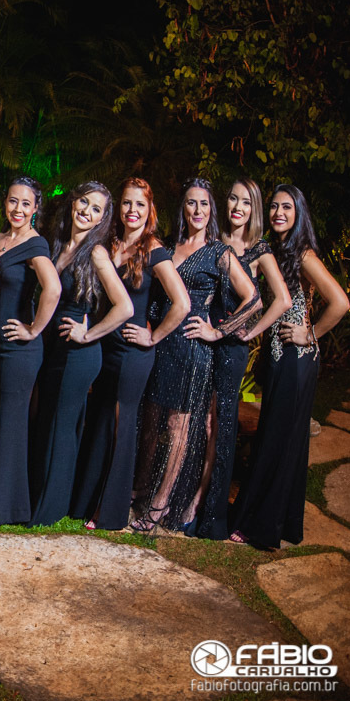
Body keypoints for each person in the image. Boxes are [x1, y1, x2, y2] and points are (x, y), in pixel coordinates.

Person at [132, 178, 259, 533]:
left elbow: (254, 298)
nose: (198, 210)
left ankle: (160, 506)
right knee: (152, 421)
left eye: (204, 204)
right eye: (191, 203)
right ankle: (142, 491)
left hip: (191, 349)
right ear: (183, 208)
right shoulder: (169, 247)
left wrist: (218, 331)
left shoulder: (219, 252)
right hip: (161, 343)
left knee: (177, 427)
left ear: (211, 210)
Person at [230, 185, 349, 548]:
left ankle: (261, 527)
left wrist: (309, 334)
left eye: (288, 207)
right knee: (283, 441)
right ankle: (283, 523)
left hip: (296, 358)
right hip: (282, 359)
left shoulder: (303, 254)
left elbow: (340, 302)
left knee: (277, 441)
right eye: (276, 206)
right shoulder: (277, 250)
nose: (280, 212)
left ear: (299, 213)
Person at [70, 178, 189, 530]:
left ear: (149, 209)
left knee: (122, 426)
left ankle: (109, 511)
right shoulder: (110, 243)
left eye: (139, 204)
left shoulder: (154, 249)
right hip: (105, 346)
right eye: (125, 203)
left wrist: (153, 337)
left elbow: (181, 304)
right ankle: (85, 502)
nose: (131, 210)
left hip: (134, 354)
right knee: (102, 420)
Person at [28, 182, 133, 526]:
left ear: (103, 218)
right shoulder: (60, 246)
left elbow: (124, 307)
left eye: (96, 209)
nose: (86, 211)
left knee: (61, 428)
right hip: (54, 351)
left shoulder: (96, 252)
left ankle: (47, 511)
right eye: (84, 202)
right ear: (74, 202)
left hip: (79, 355)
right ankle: (44, 500)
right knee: (50, 423)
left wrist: (88, 333)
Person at [193, 178, 290, 539]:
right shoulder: (214, 239)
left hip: (230, 347)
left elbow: (280, 299)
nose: (238, 206)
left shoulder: (259, 249)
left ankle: (212, 511)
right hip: (202, 341)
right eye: (233, 198)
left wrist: (247, 331)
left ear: (254, 210)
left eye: (246, 202)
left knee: (223, 426)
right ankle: (192, 497)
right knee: (202, 424)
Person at [0, 177, 60, 528]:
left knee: (8, 424)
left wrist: (33, 328)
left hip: (18, 348)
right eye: (13, 201)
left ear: (36, 208)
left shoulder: (36, 245)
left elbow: (52, 289)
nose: (18, 209)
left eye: (26, 204)